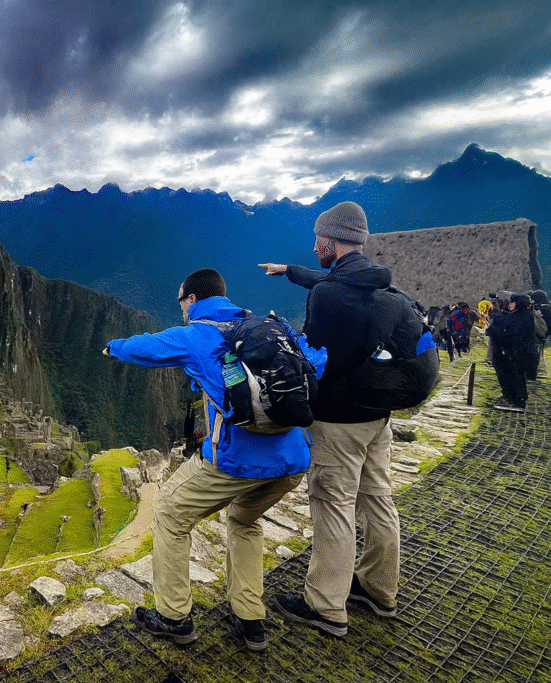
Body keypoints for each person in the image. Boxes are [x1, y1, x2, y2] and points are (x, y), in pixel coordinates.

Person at [103, 268, 311, 651]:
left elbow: (144, 347)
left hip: (239, 460)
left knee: (168, 512)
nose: (180, 307)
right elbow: (314, 361)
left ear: (192, 300)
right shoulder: (266, 327)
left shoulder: (198, 334)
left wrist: (112, 346)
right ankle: (250, 621)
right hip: (294, 460)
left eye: (181, 300)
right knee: (243, 520)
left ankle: (173, 616)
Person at [259, 201, 400, 638]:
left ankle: (325, 606)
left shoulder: (328, 295)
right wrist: (291, 271)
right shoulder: (380, 286)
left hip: (339, 421)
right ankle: (378, 590)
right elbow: (329, 278)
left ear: (331, 240)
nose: (314, 245)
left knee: (333, 505)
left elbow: (314, 359)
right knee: (377, 497)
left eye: (318, 239)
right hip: (378, 417)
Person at [487, 293, 537, 412]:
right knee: (516, 375)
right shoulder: (525, 315)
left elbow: (511, 334)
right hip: (517, 351)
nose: (510, 305)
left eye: (512, 302)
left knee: (511, 375)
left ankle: (514, 400)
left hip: (513, 352)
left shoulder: (520, 317)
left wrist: (494, 329)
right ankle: (515, 398)